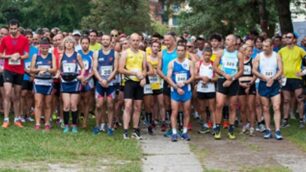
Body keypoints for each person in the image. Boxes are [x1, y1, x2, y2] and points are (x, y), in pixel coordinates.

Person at [213, 34, 244, 140]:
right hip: (222, 80)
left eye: (229, 39)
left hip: (233, 82)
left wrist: (232, 79)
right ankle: (217, 127)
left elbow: (241, 70)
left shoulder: (239, 54)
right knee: (219, 104)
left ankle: (231, 128)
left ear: (234, 42)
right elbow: (214, 67)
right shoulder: (221, 52)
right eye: (226, 39)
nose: (226, 41)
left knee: (232, 106)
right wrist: (224, 75)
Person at [0, 19, 29, 128]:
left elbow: (26, 55)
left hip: (19, 70)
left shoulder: (24, 39)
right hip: (8, 69)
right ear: (8, 28)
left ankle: (17, 118)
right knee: (7, 93)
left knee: (17, 95)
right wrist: (10, 56)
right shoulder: (4, 40)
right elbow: (0, 55)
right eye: (11, 29)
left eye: (15, 28)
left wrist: (19, 56)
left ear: (18, 28)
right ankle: (6, 119)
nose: (13, 30)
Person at [252, 39, 283, 140]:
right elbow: (254, 70)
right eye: (263, 46)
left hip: (274, 84)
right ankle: (268, 129)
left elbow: (281, 70)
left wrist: (273, 78)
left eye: (266, 46)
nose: (264, 48)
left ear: (272, 46)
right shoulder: (259, 56)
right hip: (263, 83)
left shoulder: (277, 55)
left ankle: (278, 130)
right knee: (265, 108)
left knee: (276, 107)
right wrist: (264, 78)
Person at [119, 33, 146, 139]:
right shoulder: (125, 53)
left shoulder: (143, 54)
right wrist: (134, 73)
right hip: (129, 81)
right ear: (130, 41)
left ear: (140, 41)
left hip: (139, 82)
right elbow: (120, 69)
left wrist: (143, 77)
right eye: (133, 40)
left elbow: (144, 69)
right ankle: (125, 131)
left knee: (138, 107)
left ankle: (135, 130)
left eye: (137, 40)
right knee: (128, 105)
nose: (135, 42)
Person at [167, 41, 195, 142]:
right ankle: (174, 133)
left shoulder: (189, 62)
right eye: (178, 50)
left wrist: (185, 82)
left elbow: (193, 76)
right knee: (174, 111)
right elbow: (168, 77)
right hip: (175, 90)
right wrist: (176, 87)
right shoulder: (172, 63)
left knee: (186, 111)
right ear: (176, 51)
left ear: (185, 51)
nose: (180, 52)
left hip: (186, 90)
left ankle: (184, 132)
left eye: (182, 50)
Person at [93, 34, 118, 136]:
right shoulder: (96, 53)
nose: (105, 41)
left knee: (110, 105)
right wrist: (101, 80)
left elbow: (115, 68)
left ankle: (110, 127)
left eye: (107, 39)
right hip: (100, 82)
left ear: (110, 41)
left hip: (110, 83)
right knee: (99, 105)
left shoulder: (115, 53)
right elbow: (94, 68)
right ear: (101, 41)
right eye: (103, 39)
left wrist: (107, 80)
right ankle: (97, 126)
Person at [279, 32, 306, 128]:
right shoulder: (281, 51)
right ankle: (285, 120)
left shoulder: (300, 50)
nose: (287, 39)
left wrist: (304, 72)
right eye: (286, 37)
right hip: (285, 78)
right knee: (286, 100)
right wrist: (279, 74)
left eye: (290, 37)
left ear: (294, 39)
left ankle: (302, 120)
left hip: (297, 78)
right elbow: (278, 64)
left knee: (300, 99)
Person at [59, 36, 85, 133]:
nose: (69, 44)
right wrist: (59, 75)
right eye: (67, 42)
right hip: (65, 82)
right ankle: (66, 125)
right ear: (64, 44)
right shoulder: (62, 55)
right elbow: (58, 68)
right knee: (66, 105)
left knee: (73, 105)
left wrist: (81, 76)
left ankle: (74, 125)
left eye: (71, 42)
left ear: (74, 44)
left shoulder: (77, 55)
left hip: (75, 82)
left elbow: (83, 67)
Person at [30, 37, 57, 131]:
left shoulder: (51, 56)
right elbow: (31, 69)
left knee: (47, 104)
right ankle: (37, 123)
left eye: (46, 48)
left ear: (49, 47)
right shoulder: (35, 56)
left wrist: (46, 69)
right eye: (42, 48)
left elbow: (54, 70)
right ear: (39, 48)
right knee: (38, 103)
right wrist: (39, 70)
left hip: (48, 82)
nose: (44, 50)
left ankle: (47, 123)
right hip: (38, 82)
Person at [157, 32, 178, 135]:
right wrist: (166, 78)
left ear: (174, 40)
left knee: (178, 105)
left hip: (178, 82)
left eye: (168, 40)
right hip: (166, 81)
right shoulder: (162, 53)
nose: (165, 42)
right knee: (167, 104)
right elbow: (158, 69)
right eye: (164, 40)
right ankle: (171, 126)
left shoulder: (179, 52)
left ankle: (180, 127)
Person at [195, 47, 217, 134]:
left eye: (209, 55)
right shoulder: (198, 64)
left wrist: (209, 80)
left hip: (211, 89)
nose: (207, 57)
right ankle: (205, 125)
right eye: (205, 55)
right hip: (201, 88)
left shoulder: (213, 64)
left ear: (211, 55)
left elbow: (217, 77)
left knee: (212, 108)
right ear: (202, 55)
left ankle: (214, 126)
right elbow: (194, 76)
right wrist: (201, 78)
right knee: (202, 108)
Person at [237, 45, 256, 136]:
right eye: (248, 51)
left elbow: (255, 74)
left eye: (251, 51)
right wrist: (241, 84)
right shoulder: (238, 61)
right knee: (243, 108)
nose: (249, 53)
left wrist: (249, 85)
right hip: (240, 85)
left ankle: (252, 127)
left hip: (250, 85)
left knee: (251, 106)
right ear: (243, 51)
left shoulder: (253, 61)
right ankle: (244, 126)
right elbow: (235, 74)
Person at [78, 37, 94, 128]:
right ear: (80, 44)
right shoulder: (77, 54)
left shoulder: (92, 54)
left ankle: (85, 121)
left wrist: (86, 78)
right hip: (79, 79)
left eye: (86, 43)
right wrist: (81, 78)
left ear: (89, 44)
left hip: (88, 80)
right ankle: (78, 119)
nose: (84, 45)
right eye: (83, 43)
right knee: (78, 101)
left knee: (87, 101)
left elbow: (94, 69)